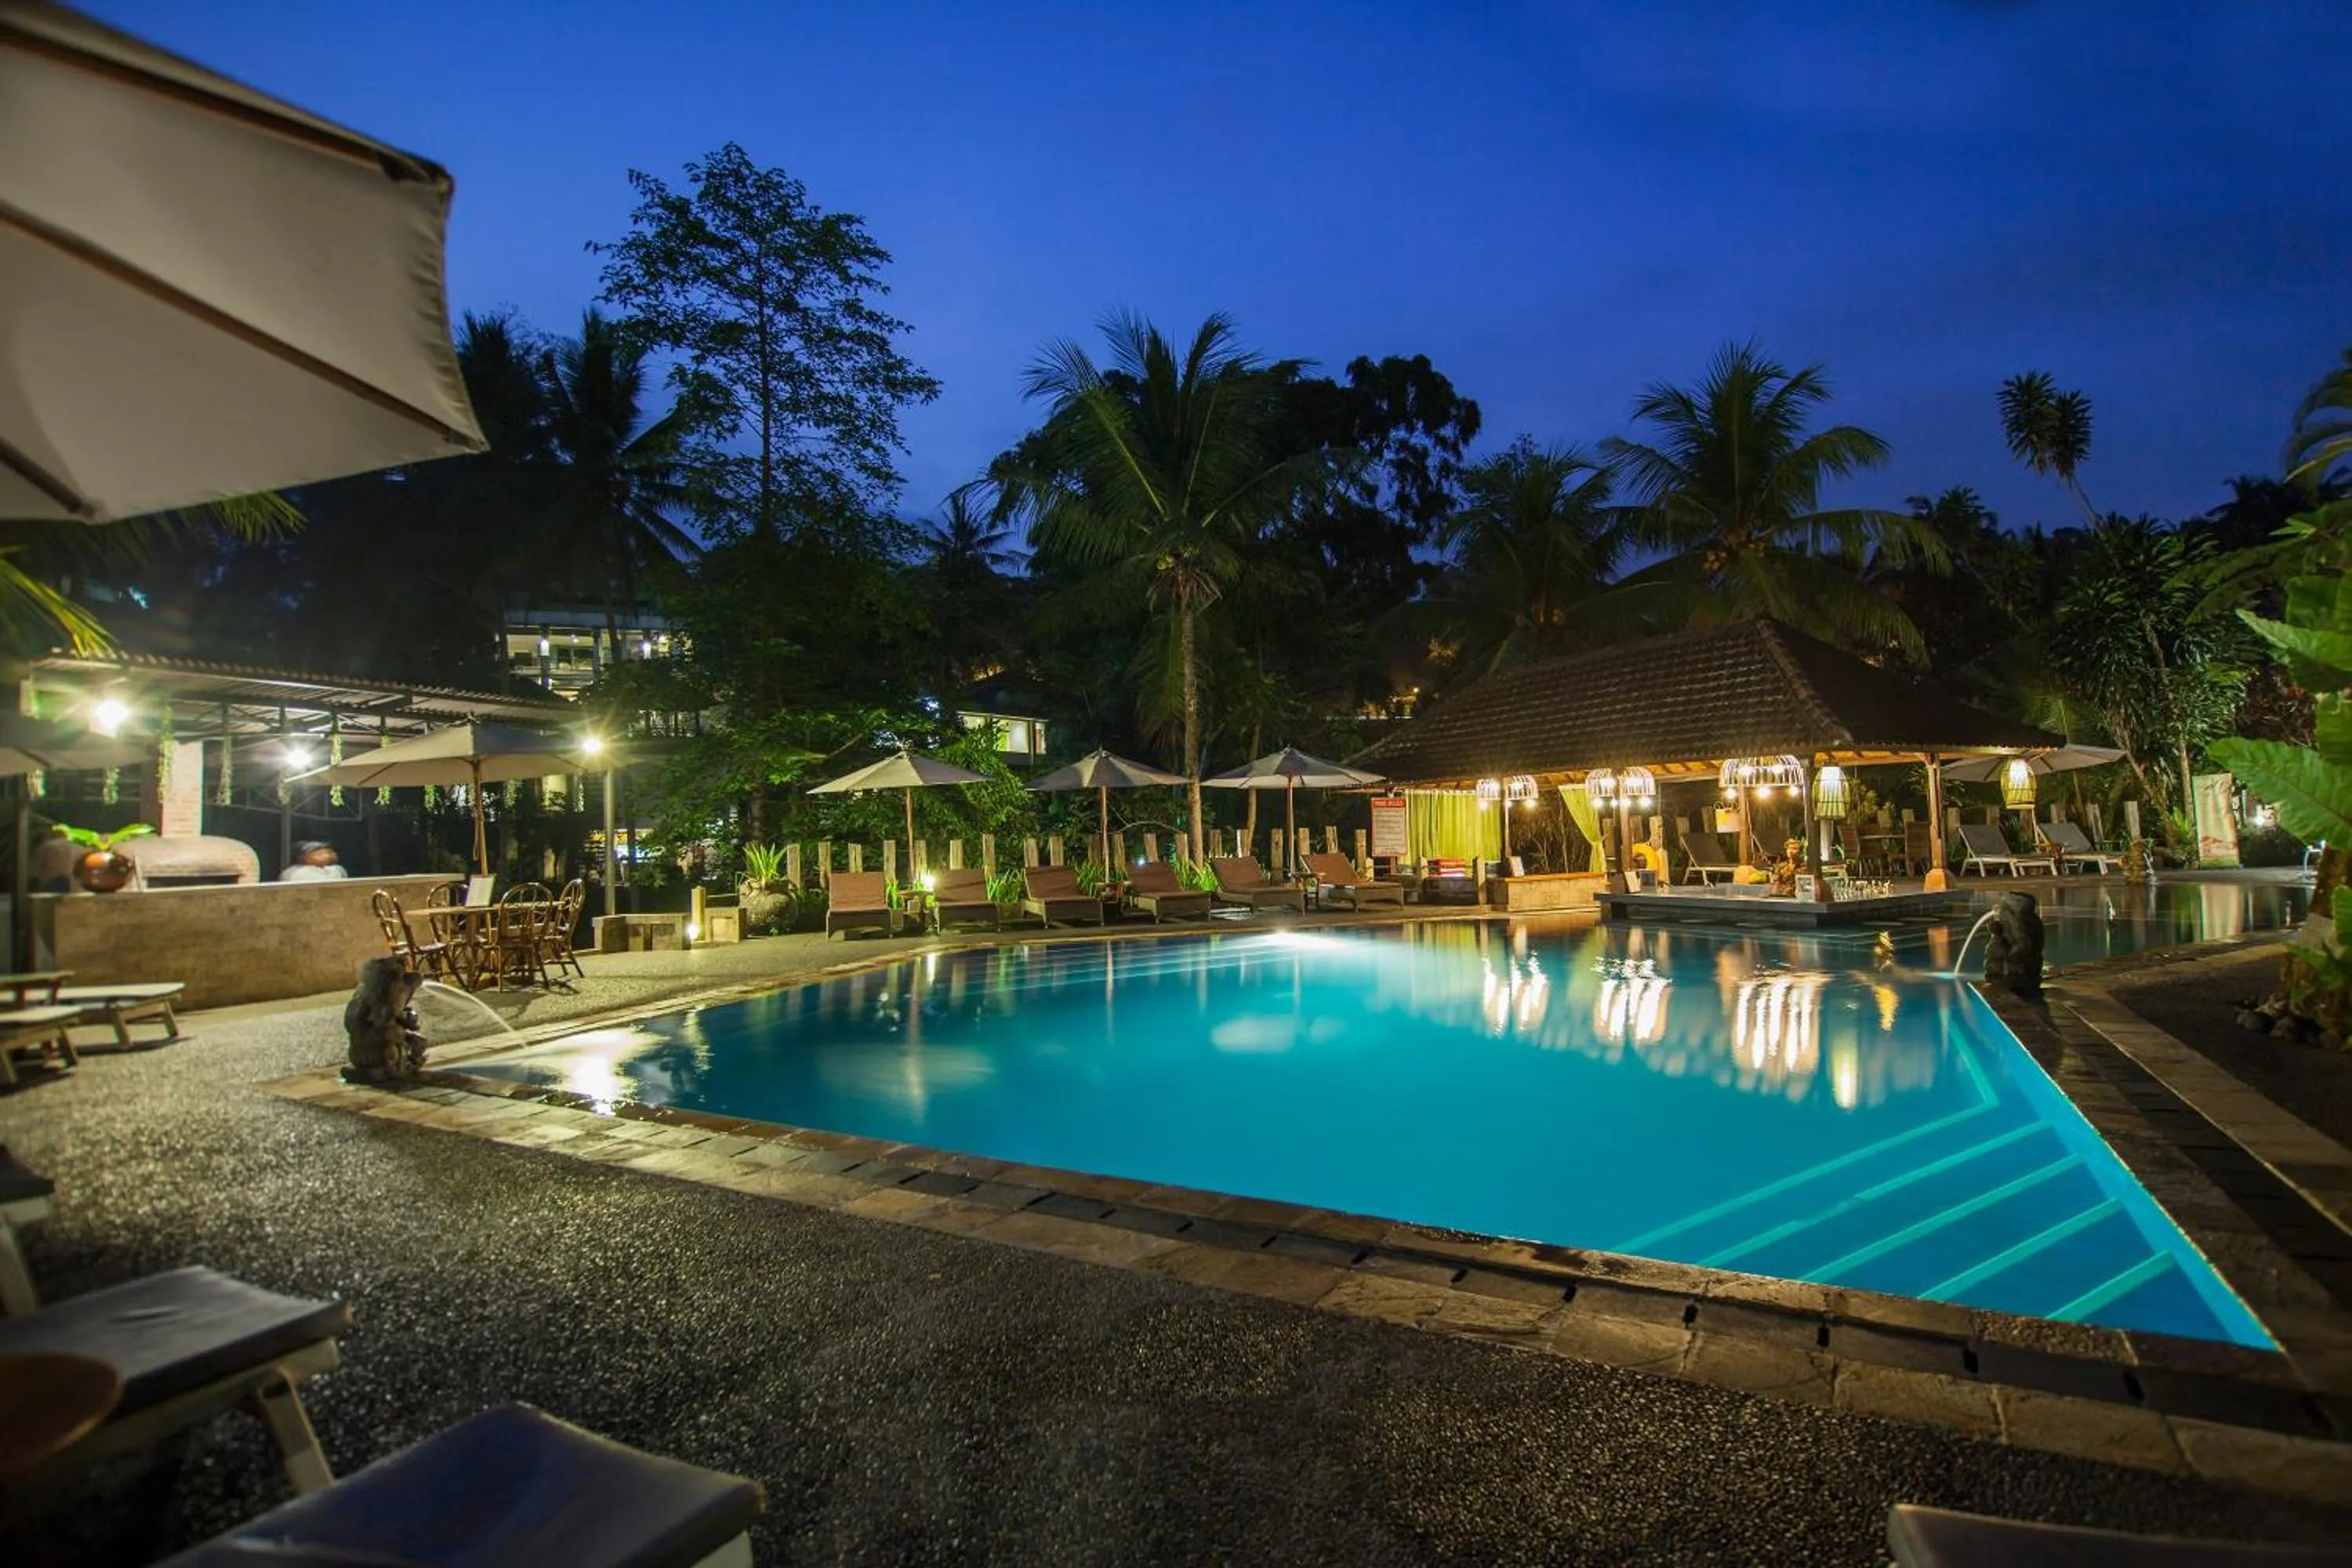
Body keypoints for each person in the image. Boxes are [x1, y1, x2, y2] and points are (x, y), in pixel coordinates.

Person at [280, 840, 348, 883]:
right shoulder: (295, 873)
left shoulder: (336, 870)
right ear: (302, 858)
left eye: (326, 852)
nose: (326, 855)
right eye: (319, 853)